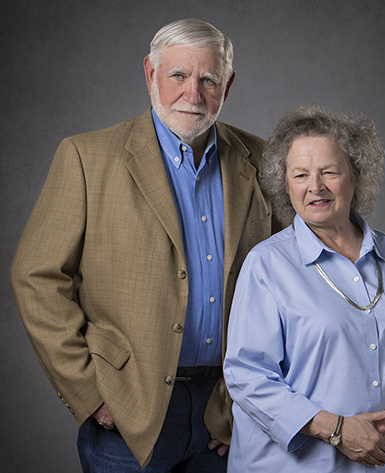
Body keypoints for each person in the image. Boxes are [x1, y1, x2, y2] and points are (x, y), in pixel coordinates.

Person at [10, 19, 276, 472]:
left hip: (227, 411)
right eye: (178, 76)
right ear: (150, 74)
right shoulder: (86, 157)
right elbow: (35, 277)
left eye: (208, 79)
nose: (192, 94)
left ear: (227, 85)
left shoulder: (264, 160)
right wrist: (90, 394)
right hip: (128, 411)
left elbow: (293, 279)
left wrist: (244, 408)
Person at [223, 104, 385, 472]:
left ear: (356, 174)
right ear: (285, 184)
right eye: (300, 174)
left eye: (329, 172)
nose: (314, 187)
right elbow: (247, 376)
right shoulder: (266, 265)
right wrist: (337, 430)